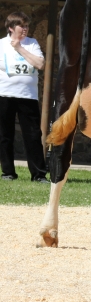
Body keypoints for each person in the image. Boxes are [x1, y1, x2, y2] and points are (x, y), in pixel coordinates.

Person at [0, 11, 47, 183]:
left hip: (28, 96)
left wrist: (19, 48)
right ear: (11, 28)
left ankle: (38, 175)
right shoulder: (1, 44)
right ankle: (8, 172)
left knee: (33, 135)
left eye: (27, 25)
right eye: (22, 26)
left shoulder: (32, 43)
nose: (25, 29)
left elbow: (40, 64)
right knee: (5, 135)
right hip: (4, 94)